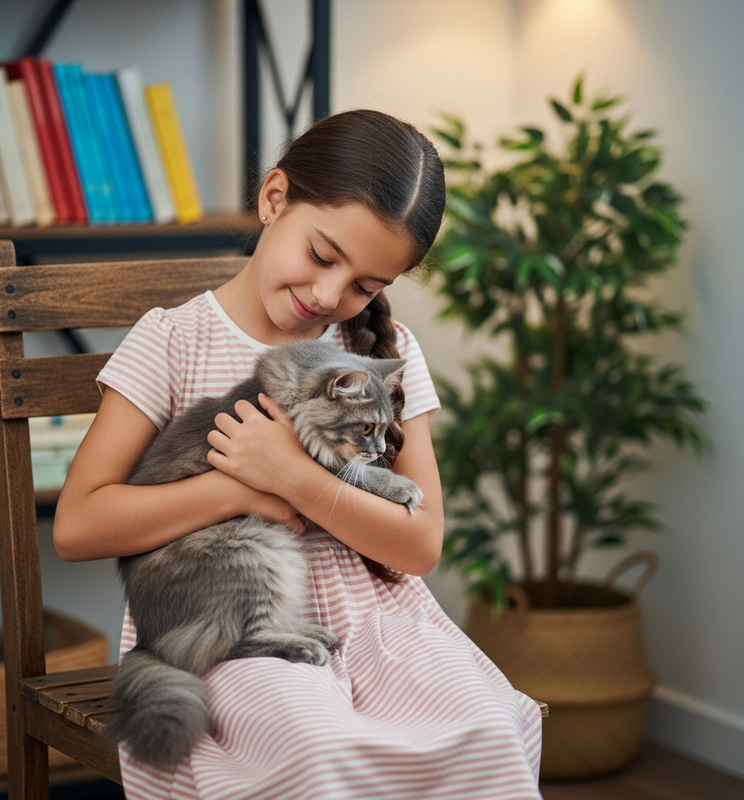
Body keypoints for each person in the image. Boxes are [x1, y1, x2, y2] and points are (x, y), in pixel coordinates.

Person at [53, 109, 543, 799]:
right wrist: (242, 491)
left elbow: (420, 545)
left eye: (365, 287)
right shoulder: (172, 340)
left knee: (485, 730)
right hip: (235, 630)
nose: (328, 296)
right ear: (274, 198)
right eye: (321, 256)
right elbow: (79, 526)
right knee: (314, 749)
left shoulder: (387, 354)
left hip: (382, 627)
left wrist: (294, 478)